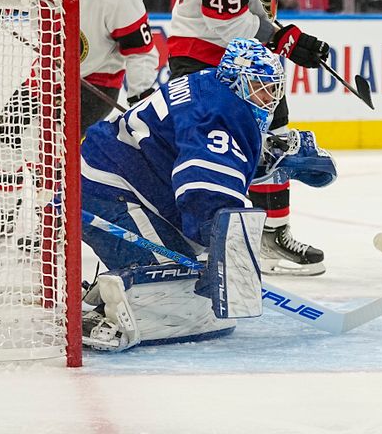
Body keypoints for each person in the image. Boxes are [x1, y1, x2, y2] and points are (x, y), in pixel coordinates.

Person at [81, 38, 331, 351]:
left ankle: (101, 295)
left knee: (192, 276)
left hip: (122, 182)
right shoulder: (220, 112)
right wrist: (223, 251)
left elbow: (200, 157)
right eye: (260, 87)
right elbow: (204, 186)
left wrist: (267, 158)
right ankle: (96, 315)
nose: (269, 99)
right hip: (108, 189)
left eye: (273, 89)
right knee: (175, 294)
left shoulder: (211, 88)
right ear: (235, 80)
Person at [169, 0, 331, 276]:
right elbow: (221, 23)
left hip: (243, 47)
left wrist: (282, 34)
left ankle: (272, 234)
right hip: (202, 50)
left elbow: (250, 4)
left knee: (275, 131)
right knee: (216, 149)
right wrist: (283, 40)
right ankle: (193, 240)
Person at [0, 0, 158, 236]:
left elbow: (140, 53)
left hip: (97, 83)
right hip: (45, 74)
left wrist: (141, 99)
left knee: (49, 146)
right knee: (5, 134)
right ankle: (4, 216)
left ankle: (50, 223)